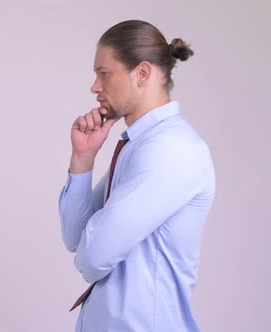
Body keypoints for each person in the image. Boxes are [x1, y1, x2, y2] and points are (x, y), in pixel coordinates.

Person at [58, 20, 216, 332]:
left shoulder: (172, 150)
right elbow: (75, 238)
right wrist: (83, 158)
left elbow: (93, 257)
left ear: (142, 73)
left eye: (104, 74)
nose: (94, 87)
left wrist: (93, 243)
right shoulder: (140, 146)